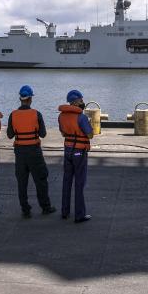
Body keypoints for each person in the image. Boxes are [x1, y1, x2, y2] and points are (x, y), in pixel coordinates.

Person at [7, 85, 56, 218]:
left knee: (22, 182)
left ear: (20, 99)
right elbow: (43, 134)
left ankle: (25, 209)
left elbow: (10, 135)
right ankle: (45, 207)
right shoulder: (37, 114)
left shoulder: (13, 115)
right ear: (30, 99)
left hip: (20, 152)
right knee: (40, 179)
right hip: (34, 151)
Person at [58, 89, 93, 223]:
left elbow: (62, 132)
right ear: (75, 101)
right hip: (79, 152)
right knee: (79, 183)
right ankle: (79, 214)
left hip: (67, 150)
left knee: (66, 181)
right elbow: (90, 135)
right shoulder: (82, 117)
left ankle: (64, 211)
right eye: (81, 100)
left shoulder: (61, 116)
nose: (83, 102)